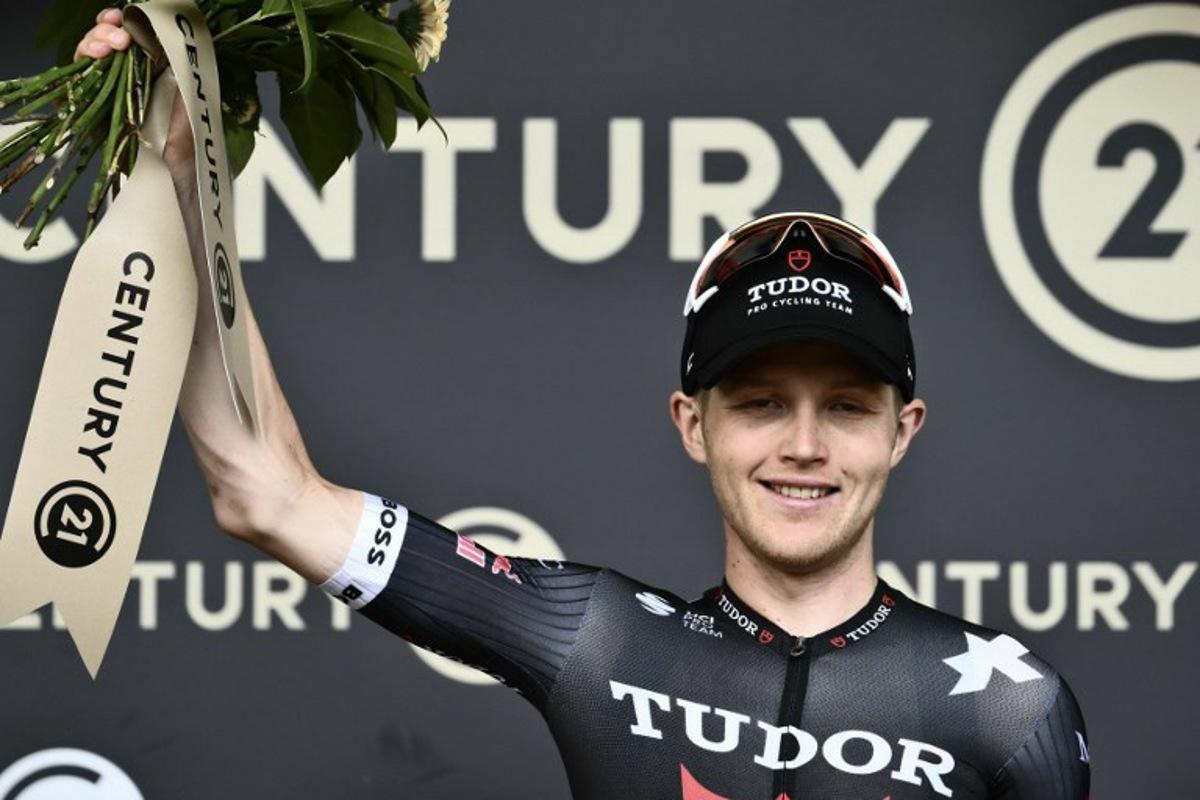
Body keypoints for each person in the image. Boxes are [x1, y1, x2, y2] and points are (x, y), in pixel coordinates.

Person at [79, 13, 1091, 799]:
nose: (804, 444)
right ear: (691, 423)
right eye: (759, 402)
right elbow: (264, 487)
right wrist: (172, 176)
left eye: (848, 406)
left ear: (903, 431)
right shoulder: (598, 637)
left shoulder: (1009, 705)